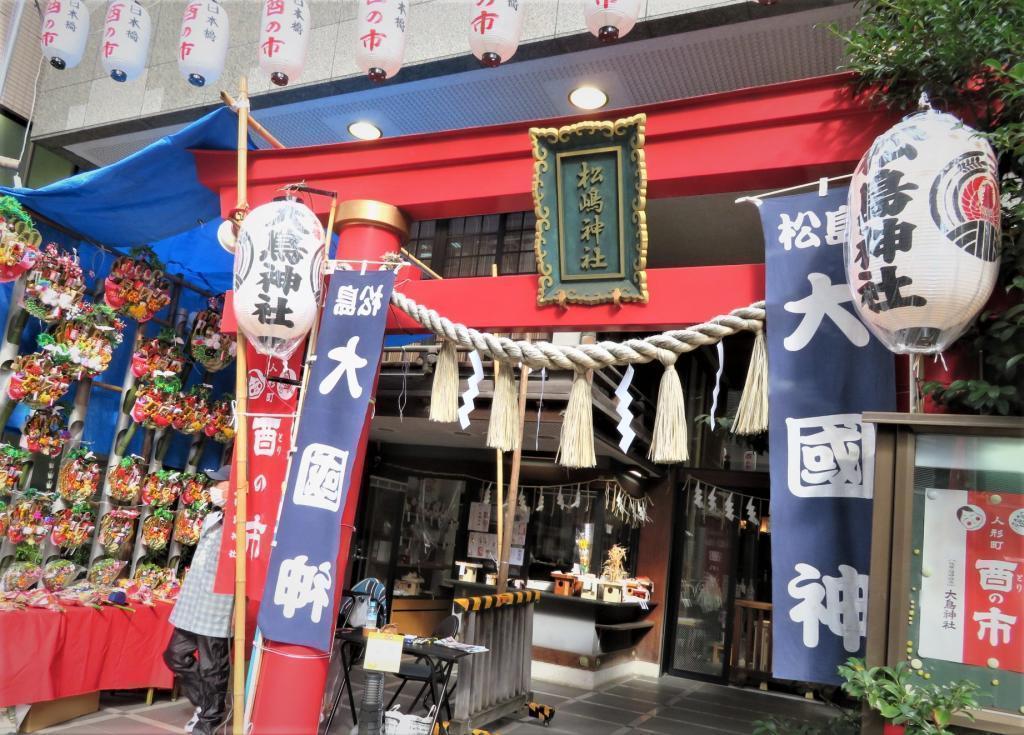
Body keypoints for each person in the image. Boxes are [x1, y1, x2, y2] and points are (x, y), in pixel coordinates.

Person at [163, 464, 234, 735]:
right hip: (193, 605)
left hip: (217, 607)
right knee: (175, 656)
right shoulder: (213, 517)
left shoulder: (241, 526)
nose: (213, 488)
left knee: (213, 667)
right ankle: (206, 703)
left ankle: (209, 720)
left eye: (219, 484)